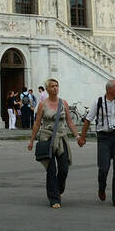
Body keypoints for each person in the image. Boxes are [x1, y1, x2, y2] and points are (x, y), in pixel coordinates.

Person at [77, 79, 115, 208]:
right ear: (109, 90)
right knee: (103, 168)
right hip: (103, 138)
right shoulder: (98, 102)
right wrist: (82, 137)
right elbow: (88, 120)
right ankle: (102, 187)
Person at [27, 78, 80, 208]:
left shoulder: (64, 103)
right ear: (47, 89)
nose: (55, 88)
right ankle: (54, 199)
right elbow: (37, 123)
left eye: (57, 86)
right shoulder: (42, 105)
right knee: (51, 170)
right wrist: (31, 140)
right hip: (46, 138)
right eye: (52, 86)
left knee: (64, 168)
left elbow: (69, 122)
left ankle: (59, 189)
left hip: (61, 138)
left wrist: (77, 136)